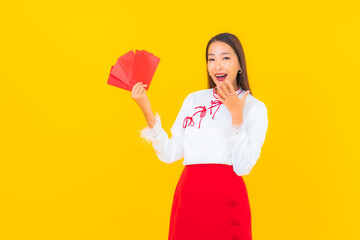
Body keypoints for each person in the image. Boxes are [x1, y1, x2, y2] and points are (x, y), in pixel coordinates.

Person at [131, 32, 268, 240]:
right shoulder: (194, 101)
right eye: (211, 59)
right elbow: (170, 153)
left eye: (225, 58)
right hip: (190, 197)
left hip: (226, 198)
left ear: (240, 64)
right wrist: (147, 110)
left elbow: (243, 166)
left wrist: (237, 117)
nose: (217, 66)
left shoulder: (254, 108)